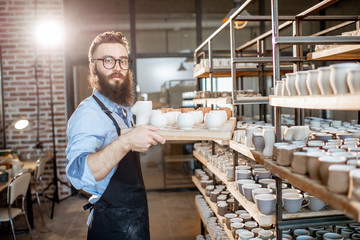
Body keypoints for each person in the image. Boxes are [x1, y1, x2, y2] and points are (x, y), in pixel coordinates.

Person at [65, 31, 165, 240]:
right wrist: (126, 140)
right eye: (108, 60)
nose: (117, 68)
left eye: (122, 61)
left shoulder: (121, 107)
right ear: (93, 67)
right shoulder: (88, 114)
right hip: (112, 225)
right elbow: (78, 174)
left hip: (134, 218)